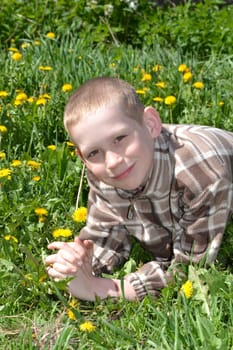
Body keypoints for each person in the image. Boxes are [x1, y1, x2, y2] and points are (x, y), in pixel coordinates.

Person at [45, 76, 233, 301]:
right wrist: (77, 263)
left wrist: (101, 289)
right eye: (93, 153)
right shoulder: (104, 170)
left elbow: (190, 269)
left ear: (151, 124)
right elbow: (106, 236)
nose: (112, 161)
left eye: (120, 138)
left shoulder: (200, 174)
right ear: (83, 158)